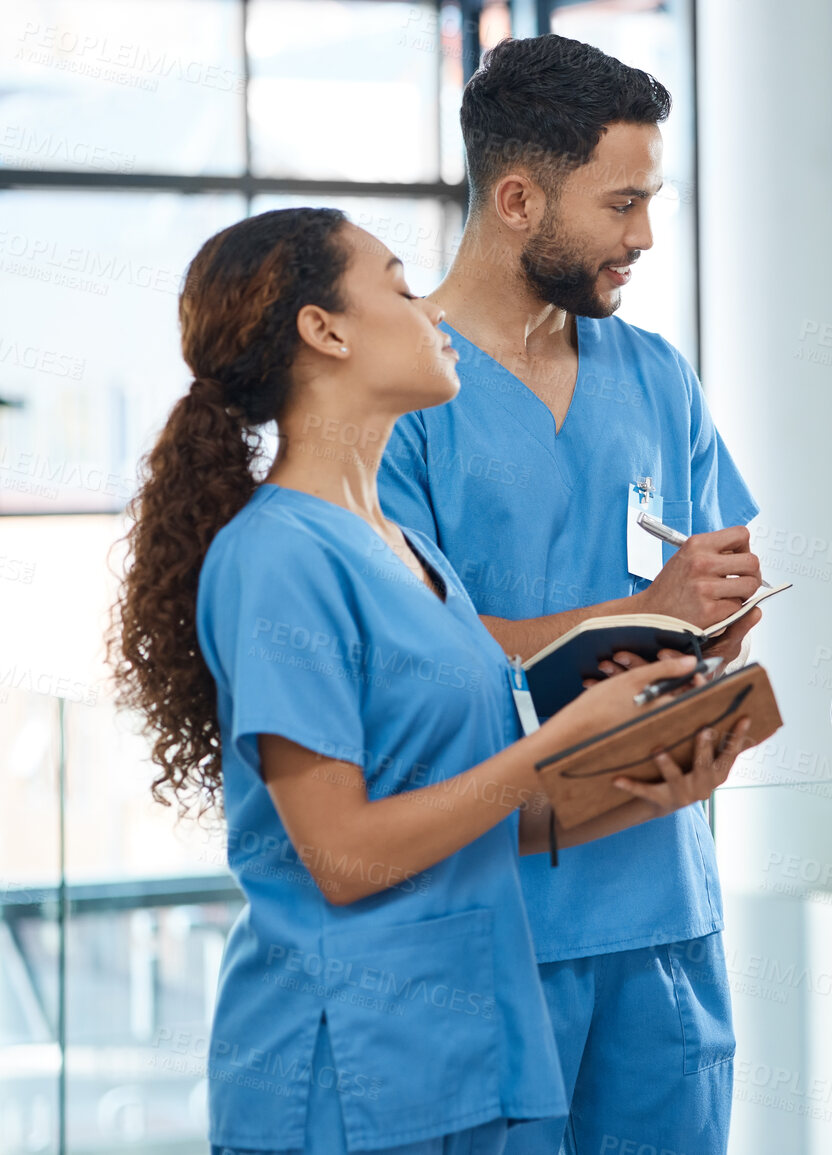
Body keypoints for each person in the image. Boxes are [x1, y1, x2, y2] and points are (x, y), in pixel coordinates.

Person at [109, 207, 749, 1154]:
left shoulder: (413, 557)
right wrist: (553, 748)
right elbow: (342, 852)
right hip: (342, 1065)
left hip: (464, 1054)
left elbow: (474, 811)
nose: (434, 315)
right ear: (324, 332)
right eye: (402, 290)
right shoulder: (278, 556)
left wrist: (639, 773)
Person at [375, 36, 760, 1155]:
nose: (644, 235)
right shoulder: (400, 396)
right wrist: (643, 616)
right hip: (487, 919)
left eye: (653, 200)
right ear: (516, 199)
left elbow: (715, 594)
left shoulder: (655, 376)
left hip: (661, 909)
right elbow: (412, 654)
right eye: (622, 203)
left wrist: (721, 633)